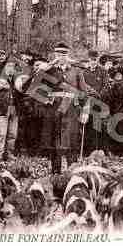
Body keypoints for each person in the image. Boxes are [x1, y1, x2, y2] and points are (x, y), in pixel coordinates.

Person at [37, 43, 93, 174]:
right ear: (54, 55)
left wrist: (85, 112)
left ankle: (72, 172)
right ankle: (55, 172)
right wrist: (46, 99)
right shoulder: (49, 70)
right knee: (54, 142)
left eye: (63, 54)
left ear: (68, 55)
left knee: (71, 142)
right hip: (53, 110)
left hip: (71, 111)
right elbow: (37, 88)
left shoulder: (76, 71)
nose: (61, 57)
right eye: (58, 54)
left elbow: (84, 93)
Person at [0, 60, 19, 164]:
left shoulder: (17, 81)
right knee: (1, 135)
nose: (11, 69)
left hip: (14, 110)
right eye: (8, 66)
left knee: (13, 134)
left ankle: (9, 155)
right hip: (2, 110)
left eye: (13, 67)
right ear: (4, 68)